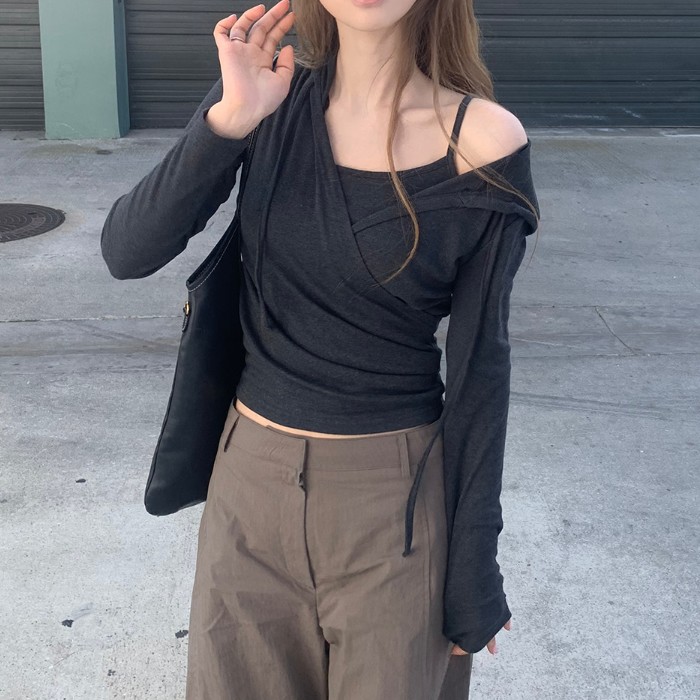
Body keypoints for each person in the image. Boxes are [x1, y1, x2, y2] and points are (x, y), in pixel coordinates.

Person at [100, 1, 541, 697]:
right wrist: (229, 120)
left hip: (393, 510)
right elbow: (127, 251)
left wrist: (474, 566)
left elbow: (483, 369)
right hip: (247, 495)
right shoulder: (265, 95)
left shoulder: (483, 141)